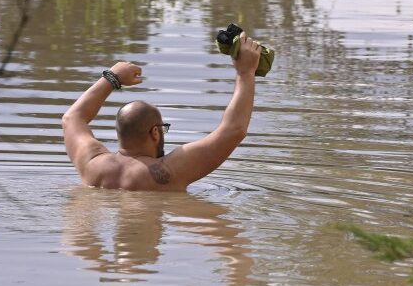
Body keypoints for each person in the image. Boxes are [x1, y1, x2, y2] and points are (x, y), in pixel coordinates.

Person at [61, 34, 262, 191]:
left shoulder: (91, 164)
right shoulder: (169, 172)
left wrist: (111, 78)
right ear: (155, 133)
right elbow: (233, 130)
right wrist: (245, 72)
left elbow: (72, 118)